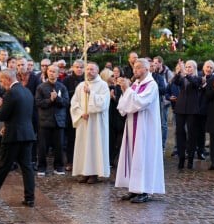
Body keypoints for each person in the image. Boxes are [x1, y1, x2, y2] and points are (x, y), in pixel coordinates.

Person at [0, 69, 37, 206]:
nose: (1, 84)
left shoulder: (11, 93)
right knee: (27, 167)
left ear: (7, 79)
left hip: (13, 136)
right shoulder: (27, 91)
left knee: (4, 166)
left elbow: (1, 116)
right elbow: (23, 114)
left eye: (1, 81)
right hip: (27, 134)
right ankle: (30, 198)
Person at [115, 58, 165, 203]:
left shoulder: (152, 85)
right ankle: (133, 188)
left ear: (146, 69)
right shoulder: (136, 84)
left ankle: (144, 190)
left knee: (143, 156)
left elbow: (140, 102)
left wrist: (127, 89)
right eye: (134, 67)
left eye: (138, 67)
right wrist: (126, 89)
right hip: (132, 125)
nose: (134, 70)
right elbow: (126, 104)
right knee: (132, 156)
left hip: (145, 127)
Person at [70, 62, 111, 184]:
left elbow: (104, 103)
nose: (89, 71)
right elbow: (74, 102)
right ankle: (84, 171)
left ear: (97, 71)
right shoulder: (81, 85)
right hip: (84, 121)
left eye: (92, 69)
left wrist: (91, 93)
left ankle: (94, 172)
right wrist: (81, 112)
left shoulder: (103, 85)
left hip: (96, 122)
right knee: (83, 145)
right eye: (87, 69)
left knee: (95, 146)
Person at [35, 64, 69, 176]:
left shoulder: (62, 87)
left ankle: (58, 167)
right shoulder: (41, 87)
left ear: (58, 73)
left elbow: (66, 102)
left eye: (54, 71)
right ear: (47, 72)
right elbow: (38, 103)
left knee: (59, 146)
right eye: (50, 71)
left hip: (59, 121)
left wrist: (57, 99)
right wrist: (50, 100)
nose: (52, 73)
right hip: (45, 121)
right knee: (43, 147)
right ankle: (41, 167)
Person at [172, 59, 200, 169]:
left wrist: (185, 74)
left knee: (191, 133)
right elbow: (175, 81)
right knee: (179, 132)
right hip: (180, 108)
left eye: (190, 67)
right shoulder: (182, 77)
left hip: (192, 109)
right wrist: (179, 72)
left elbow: (195, 84)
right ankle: (181, 157)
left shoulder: (197, 78)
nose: (188, 69)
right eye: (186, 66)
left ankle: (191, 158)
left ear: (194, 68)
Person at [62, 60, 85, 171]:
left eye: (81, 67)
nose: (79, 69)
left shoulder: (87, 80)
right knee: (71, 139)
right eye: (77, 67)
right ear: (72, 68)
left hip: (85, 114)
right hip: (71, 113)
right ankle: (70, 161)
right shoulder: (66, 80)